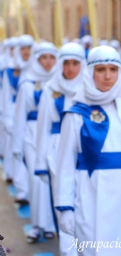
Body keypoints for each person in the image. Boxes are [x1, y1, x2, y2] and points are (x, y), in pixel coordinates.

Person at [54, 46, 121, 256]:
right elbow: (64, 165)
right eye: (101, 69)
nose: (107, 75)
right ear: (90, 72)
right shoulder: (76, 114)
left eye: (113, 69)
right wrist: (64, 206)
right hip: (90, 193)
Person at [34, 42, 85, 256]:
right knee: (62, 203)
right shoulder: (50, 90)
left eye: (75, 63)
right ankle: (68, 254)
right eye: (66, 63)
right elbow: (43, 126)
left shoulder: (89, 89)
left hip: (83, 152)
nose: (71, 68)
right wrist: (40, 164)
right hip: (56, 151)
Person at [12, 42, 57, 242]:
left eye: (51, 58)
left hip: (53, 137)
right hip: (32, 137)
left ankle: (49, 224)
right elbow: (20, 115)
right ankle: (37, 225)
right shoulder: (27, 83)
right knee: (36, 179)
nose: (48, 62)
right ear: (37, 60)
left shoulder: (61, 82)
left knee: (51, 181)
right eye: (44, 58)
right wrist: (16, 145)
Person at [6, 35, 34, 205]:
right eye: (23, 48)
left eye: (28, 48)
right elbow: (6, 95)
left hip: (32, 118)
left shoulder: (38, 69)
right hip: (14, 112)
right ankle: (22, 190)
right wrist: (6, 117)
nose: (26, 52)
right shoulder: (11, 69)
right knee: (17, 151)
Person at [1, 37, 21, 183]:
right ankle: (10, 172)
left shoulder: (32, 68)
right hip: (11, 109)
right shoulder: (7, 68)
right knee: (10, 143)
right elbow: (6, 93)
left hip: (27, 116)